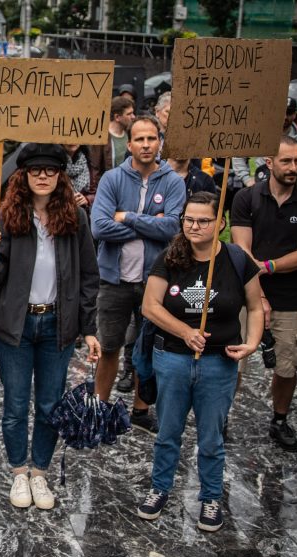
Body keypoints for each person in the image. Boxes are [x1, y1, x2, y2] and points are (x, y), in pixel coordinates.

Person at [0, 144, 100, 510]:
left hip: (57, 325)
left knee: (50, 404)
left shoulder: (75, 218)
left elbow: (90, 276)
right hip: (15, 324)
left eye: (50, 170)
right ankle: (18, 471)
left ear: (61, 175)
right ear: (24, 175)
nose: (43, 176)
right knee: (15, 405)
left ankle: (40, 472)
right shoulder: (8, 215)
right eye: (36, 170)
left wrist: (89, 327)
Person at [136, 192, 264, 532]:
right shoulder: (170, 257)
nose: (194, 226)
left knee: (211, 437)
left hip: (219, 363)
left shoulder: (237, 260)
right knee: (168, 431)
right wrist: (185, 330)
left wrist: (251, 343)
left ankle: (209, 496)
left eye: (204, 220)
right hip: (173, 359)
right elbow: (151, 306)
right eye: (189, 219)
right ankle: (159, 488)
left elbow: (254, 306)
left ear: (220, 223)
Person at [91, 115, 186, 434]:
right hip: (114, 280)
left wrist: (128, 217)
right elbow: (99, 226)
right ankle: (100, 408)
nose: (146, 144)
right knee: (109, 346)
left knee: (147, 348)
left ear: (160, 142)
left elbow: (173, 228)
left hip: (154, 281)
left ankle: (141, 409)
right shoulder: (112, 180)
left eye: (152, 138)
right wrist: (149, 225)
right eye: (140, 139)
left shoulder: (173, 181)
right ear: (129, 144)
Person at [230, 136, 297, 452]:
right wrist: (259, 293)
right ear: (268, 163)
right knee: (233, 361)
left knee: (287, 365)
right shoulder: (245, 198)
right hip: (243, 294)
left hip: (290, 296)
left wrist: (267, 266)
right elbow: (241, 248)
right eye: (286, 161)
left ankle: (279, 420)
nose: (294, 167)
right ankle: (221, 418)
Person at [233, 97, 297, 191]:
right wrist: (247, 179)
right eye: (280, 112)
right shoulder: (259, 134)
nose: (284, 117)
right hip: (261, 191)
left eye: (288, 113)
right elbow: (238, 155)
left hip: (289, 194)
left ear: (295, 114)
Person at [87, 96, 135, 175]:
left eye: (133, 113)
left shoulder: (130, 133)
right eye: (129, 114)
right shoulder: (101, 137)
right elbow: (95, 169)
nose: (133, 117)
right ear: (117, 117)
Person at [63, 143, 99, 209]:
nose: (72, 141)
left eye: (76, 137)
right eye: (68, 137)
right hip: (60, 211)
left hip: (82, 213)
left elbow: (96, 192)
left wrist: (86, 199)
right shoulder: (54, 162)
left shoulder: (87, 162)